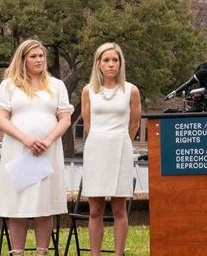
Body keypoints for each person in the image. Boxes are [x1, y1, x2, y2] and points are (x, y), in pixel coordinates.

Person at [0, 39, 74, 256]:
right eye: (33, 56)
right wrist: (27, 139)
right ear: (23, 59)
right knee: (17, 205)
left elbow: (65, 119)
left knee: (43, 205)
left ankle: (42, 252)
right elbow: (1, 119)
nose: (39, 60)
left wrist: (47, 140)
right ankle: (17, 252)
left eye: (41, 56)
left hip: (47, 152)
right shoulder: (9, 85)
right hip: (19, 151)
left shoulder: (57, 85)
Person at [80, 42, 142, 256]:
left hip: (120, 147)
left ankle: (118, 253)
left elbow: (134, 123)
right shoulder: (88, 91)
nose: (111, 64)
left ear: (121, 63)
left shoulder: (131, 90)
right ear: (98, 63)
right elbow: (87, 124)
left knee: (119, 208)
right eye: (106, 60)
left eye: (115, 60)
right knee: (95, 209)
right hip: (96, 148)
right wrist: (101, 139)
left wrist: (122, 141)